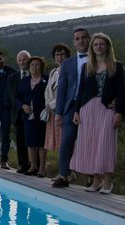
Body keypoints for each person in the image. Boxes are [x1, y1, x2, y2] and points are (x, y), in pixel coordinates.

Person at [70, 33, 124, 194]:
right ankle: (96, 180)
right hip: (87, 109)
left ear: (107, 46)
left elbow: (122, 91)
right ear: (92, 48)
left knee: (106, 144)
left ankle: (108, 181)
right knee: (91, 145)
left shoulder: (117, 66)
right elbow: (80, 91)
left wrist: (120, 112)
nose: (98, 47)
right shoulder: (87, 66)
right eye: (95, 44)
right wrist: (76, 111)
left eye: (101, 44)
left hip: (107, 109)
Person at [53, 28, 91, 188]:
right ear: (74, 42)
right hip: (70, 106)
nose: (81, 41)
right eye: (77, 38)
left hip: (91, 105)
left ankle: (92, 177)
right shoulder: (68, 63)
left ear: (88, 39)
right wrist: (59, 112)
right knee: (67, 141)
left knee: (89, 141)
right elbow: (61, 89)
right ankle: (63, 174)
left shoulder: (98, 60)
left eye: (83, 38)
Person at [15, 56, 48, 177]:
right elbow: (17, 97)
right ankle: (33, 166)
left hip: (42, 116)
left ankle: (42, 169)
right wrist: (23, 106)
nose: (34, 67)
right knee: (30, 142)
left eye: (37, 65)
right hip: (28, 116)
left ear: (42, 66)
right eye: (32, 65)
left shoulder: (46, 80)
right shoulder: (24, 81)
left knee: (41, 143)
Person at [44, 43, 72, 156]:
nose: (59, 57)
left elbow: (67, 93)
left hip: (64, 110)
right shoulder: (53, 72)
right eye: (56, 55)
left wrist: (51, 104)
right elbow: (47, 90)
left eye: (62, 54)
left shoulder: (70, 71)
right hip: (52, 112)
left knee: (66, 142)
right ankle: (62, 170)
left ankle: (68, 171)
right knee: (58, 144)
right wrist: (47, 103)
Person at [11, 50, 32, 174]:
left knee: (34, 141)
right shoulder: (12, 77)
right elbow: (12, 96)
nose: (22, 62)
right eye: (20, 60)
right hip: (18, 113)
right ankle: (23, 164)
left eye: (24, 59)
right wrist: (22, 106)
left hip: (33, 112)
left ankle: (35, 165)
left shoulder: (37, 75)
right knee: (20, 140)